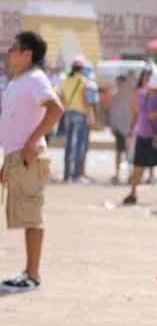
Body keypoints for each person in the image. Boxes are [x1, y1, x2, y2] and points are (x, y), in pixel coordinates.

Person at [0, 31, 64, 293]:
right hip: (15, 156)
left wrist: (31, 142)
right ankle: (28, 272)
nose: (9, 52)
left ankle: (33, 274)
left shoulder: (36, 79)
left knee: (32, 216)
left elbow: (56, 109)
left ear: (27, 54)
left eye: (14, 48)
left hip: (29, 156)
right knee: (24, 215)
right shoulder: (18, 80)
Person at [122, 67, 157, 205]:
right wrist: (132, 127)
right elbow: (136, 112)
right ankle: (133, 193)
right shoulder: (141, 94)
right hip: (143, 134)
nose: (145, 81)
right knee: (138, 165)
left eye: (148, 78)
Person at [59, 58, 91, 182]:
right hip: (80, 113)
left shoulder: (65, 80)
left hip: (68, 113)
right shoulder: (82, 80)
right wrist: (90, 113)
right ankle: (76, 175)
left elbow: (62, 98)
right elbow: (84, 99)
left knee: (68, 145)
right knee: (79, 145)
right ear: (82, 68)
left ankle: (66, 174)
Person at [109, 74, 135, 184]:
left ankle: (131, 175)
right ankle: (117, 174)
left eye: (120, 82)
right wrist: (112, 125)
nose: (118, 85)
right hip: (119, 127)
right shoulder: (114, 95)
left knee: (130, 152)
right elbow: (112, 111)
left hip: (129, 127)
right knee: (119, 152)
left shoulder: (131, 95)